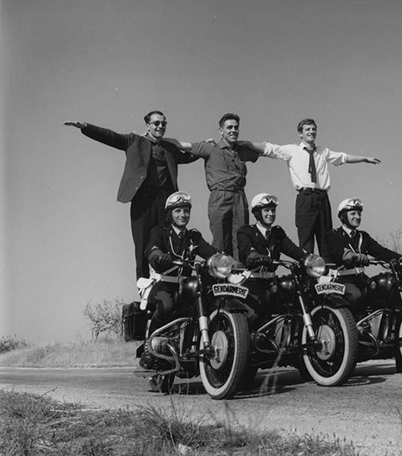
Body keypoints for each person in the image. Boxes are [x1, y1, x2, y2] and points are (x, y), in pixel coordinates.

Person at [64, 111, 197, 279]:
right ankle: (143, 284)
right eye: (156, 123)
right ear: (147, 125)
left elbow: (191, 155)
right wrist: (85, 126)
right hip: (142, 199)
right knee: (142, 243)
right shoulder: (134, 141)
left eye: (163, 124)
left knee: (166, 241)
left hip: (165, 200)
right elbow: (110, 136)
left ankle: (168, 282)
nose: (160, 126)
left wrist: (207, 146)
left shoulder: (170, 148)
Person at [238, 118, 380, 255]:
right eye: (307, 129)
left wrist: (364, 158)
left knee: (326, 237)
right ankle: (309, 270)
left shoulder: (323, 151)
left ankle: (327, 273)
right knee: (306, 238)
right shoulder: (292, 150)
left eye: (313, 129)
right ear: (300, 133)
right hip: (305, 197)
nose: (311, 132)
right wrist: (245, 143)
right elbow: (268, 148)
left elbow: (343, 157)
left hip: (322, 197)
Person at [162, 113, 259, 259]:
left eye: (236, 128)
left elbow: (261, 151)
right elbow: (180, 144)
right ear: (221, 131)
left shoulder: (242, 151)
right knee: (220, 239)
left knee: (241, 237)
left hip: (239, 197)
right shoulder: (210, 148)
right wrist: (156, 138)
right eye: (229, 128)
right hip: (220, 196)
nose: (233, 130)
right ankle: (219, 273)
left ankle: (239, 276)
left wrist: (244, 143)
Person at [140, 191, 218, 369]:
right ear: (170, 214)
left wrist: (226, 261)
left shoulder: (193, 237)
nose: (183, 215)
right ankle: (148, 349)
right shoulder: (160, 232)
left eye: (186, 211)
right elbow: (151, 249)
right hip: (164, 283)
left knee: (206, 302)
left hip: (186, 285)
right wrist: (158, 256)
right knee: (166, 305)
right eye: (178, 211)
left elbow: (210, 252)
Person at [237, 193, 307, 325]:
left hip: (271, 282)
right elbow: (247, 252)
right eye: (266, 210)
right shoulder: (246, 232)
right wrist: (259, 258)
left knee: (292, 298)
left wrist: (310, 259)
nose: (271, 213)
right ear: (258, 213)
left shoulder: (277, 233)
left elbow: (293, 250)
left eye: (273, 210)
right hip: (252, 283)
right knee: (252, 318)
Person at [325, 197, 402, 312]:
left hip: (360, 278)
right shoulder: (334, 235)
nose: (357, 216)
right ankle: (354, 324)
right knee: (355, 295)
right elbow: (340, 253)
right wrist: (354, 256)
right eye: (353, 213)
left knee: (383, 289)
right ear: (343, 216)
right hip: (341, 279)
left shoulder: (363, 236)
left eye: (359, 213)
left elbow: (381, 251)